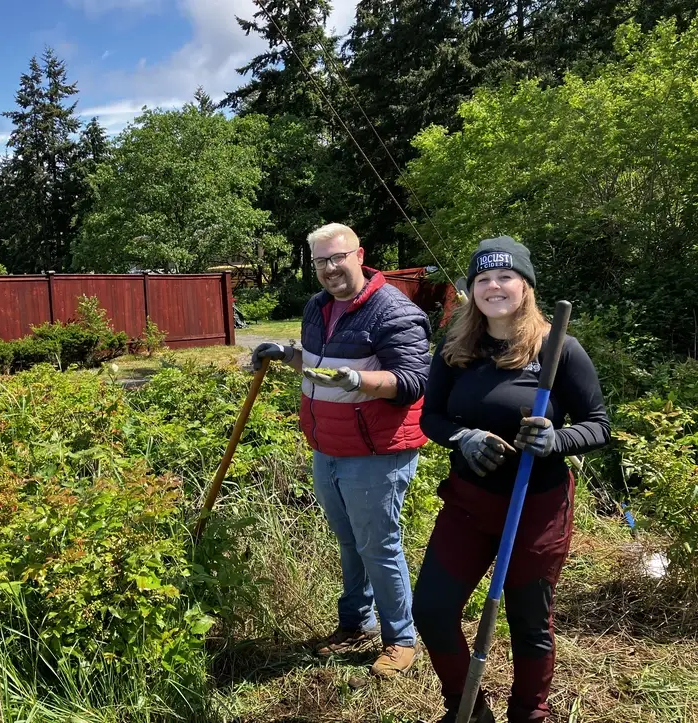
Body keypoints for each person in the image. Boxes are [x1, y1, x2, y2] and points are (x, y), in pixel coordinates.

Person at [412, 236, 611, 723]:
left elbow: (599, 423)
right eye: (483, 278)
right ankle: (469, 710)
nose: (493, 286)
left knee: (528, 622)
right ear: (472, 289)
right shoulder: (456, 347)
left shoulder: (558, 347)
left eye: (505, 277)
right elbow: (431, 417)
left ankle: (529, 715)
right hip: (469, 504)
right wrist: (462, 438)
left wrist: (556, 440)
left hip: (535, 507)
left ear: (525, 285)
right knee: (433, 611)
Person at [251, 223, 431, 678]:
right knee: (350, 542)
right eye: (321, 261)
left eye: (338, 258)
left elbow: (414, 382)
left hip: (376, 452)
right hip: (327, 445)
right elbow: (316, 366)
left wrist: (362, 381)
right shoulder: (318, 306)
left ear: (359, 255)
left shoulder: (394, 311)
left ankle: (400, 639)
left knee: (378, 545)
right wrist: (284, 352)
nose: (331, 268)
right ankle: (355, 623)